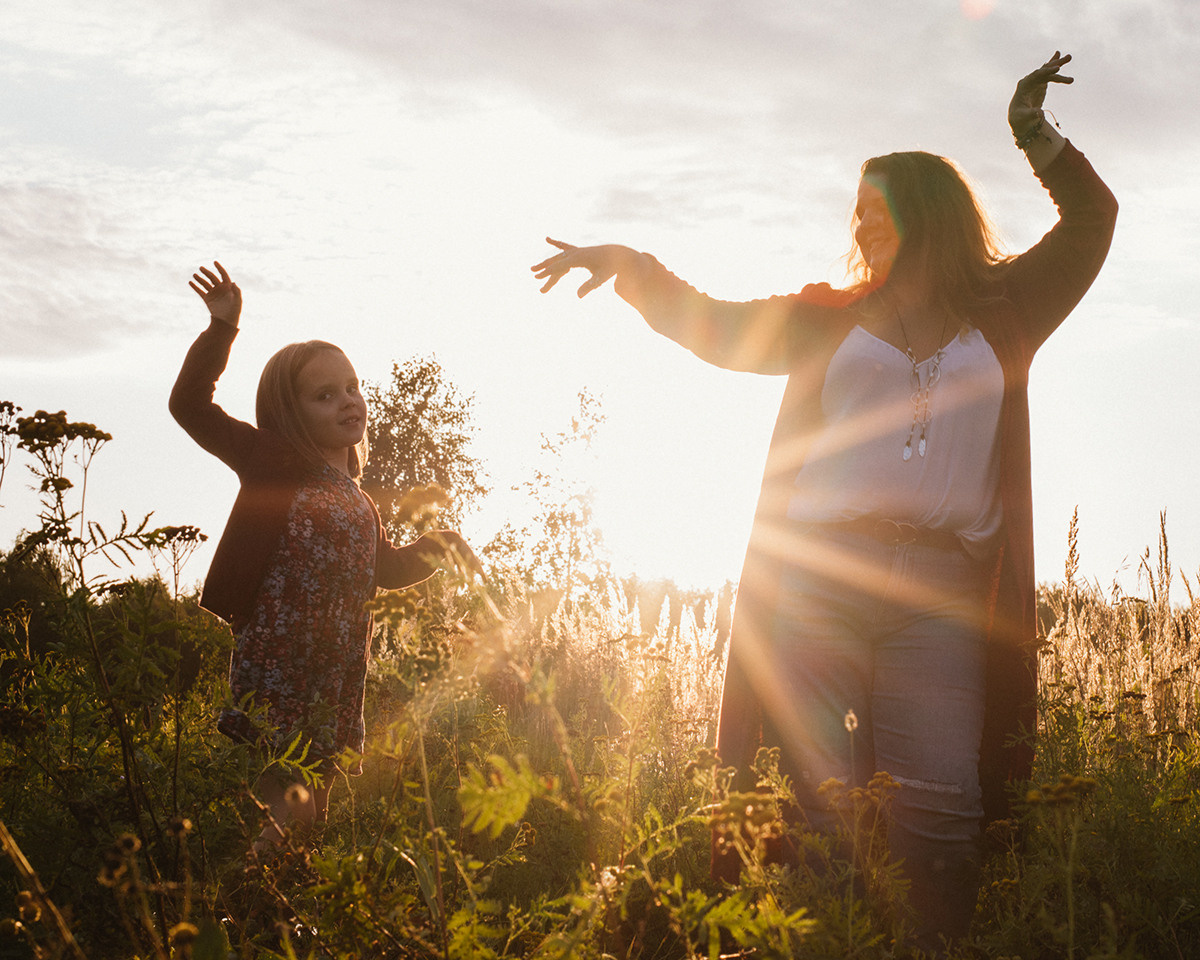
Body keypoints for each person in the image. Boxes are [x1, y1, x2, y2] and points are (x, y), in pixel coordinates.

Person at [531, 53, 1116, 949]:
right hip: (817, 581)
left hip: (941, 597)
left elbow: (1091, 222)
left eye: (877, 210)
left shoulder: (1009, 309)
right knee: (810, 798)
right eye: (856, 212)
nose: (861, 225)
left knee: (942, 805)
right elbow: (714, 325)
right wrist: (631, 267)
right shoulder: (824, 317)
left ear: (929, 217)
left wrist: (1032, 133)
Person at [170, 262, 478, 853]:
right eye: (325, 394)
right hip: (282, 662)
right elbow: (188, 405)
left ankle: (286, 921)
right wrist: (221, 330)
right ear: (291, 413)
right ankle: (241, 907)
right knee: (287, 807)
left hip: (335, 673)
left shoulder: (358, 498)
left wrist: (437, 548)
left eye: (353, 386)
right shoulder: (271, 460)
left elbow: (381, 570)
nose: (348, 401)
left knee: (316, 814)